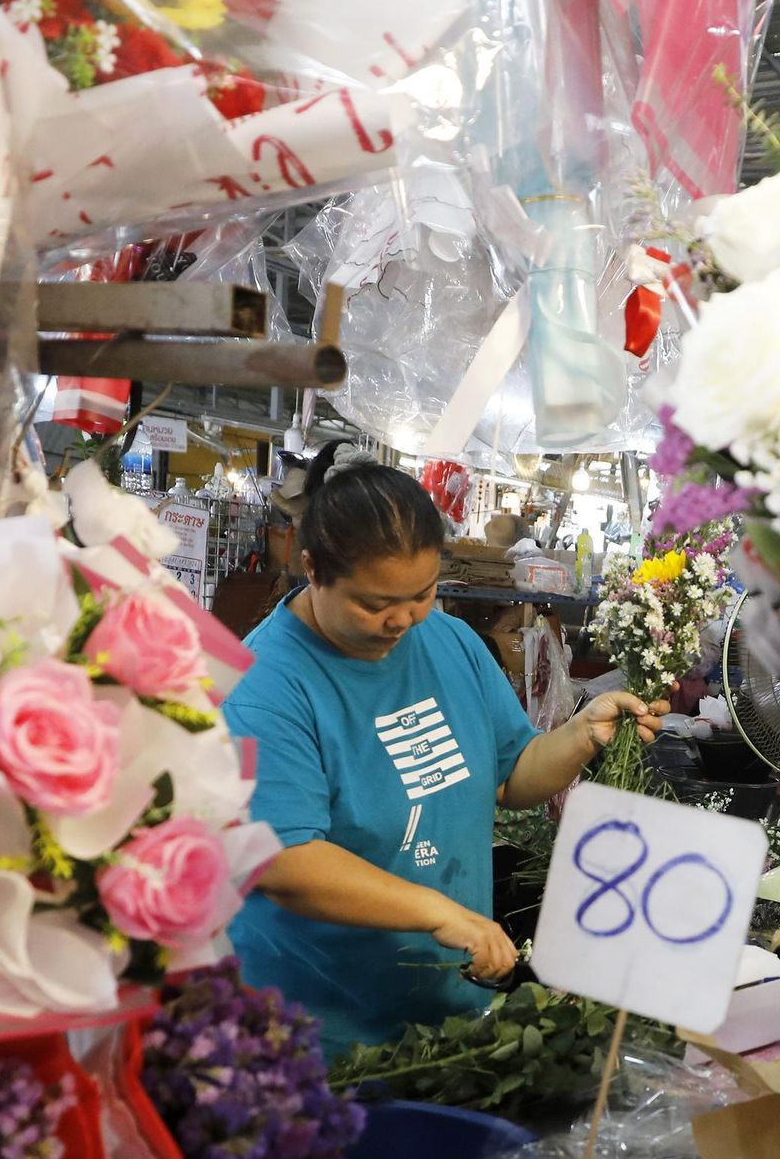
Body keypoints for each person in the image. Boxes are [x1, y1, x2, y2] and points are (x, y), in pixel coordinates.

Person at [225, 443, 669, 1058]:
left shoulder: (451, 641)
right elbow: (286, 864)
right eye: (373, 603)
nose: (403, 620)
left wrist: (579, 735)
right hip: (321, 1035)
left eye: (422, 593)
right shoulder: (263, 686)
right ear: (312, 568)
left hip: (446, 1019)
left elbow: (512, 776)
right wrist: (437, 911)